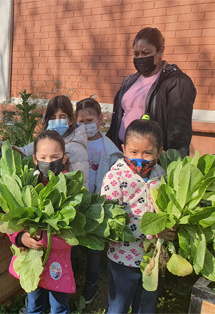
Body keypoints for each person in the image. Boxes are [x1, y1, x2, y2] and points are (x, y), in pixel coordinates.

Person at [101, 119, 176, 313]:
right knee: (118, 307)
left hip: (151, 260)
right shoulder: (114, 178)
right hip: (122, 260)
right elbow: (113, 225)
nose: (140, 158)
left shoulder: (161, 175)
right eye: (134, 152)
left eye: (147, 153)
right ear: (124, 149)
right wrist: (153, 233)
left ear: (159, 152)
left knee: (146, 307)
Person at [8, 130, 73, 314]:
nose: (49, 161)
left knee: (59, 306)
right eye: (43, 157)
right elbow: (10, 220)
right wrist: (21, 238)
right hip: (31, 255)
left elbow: (73, 232)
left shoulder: (70, 186)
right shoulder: (27, 183)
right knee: (34, 304)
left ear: (64, 158)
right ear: (35, 159)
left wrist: (44, 238)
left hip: (57, 259)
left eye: (55, 156)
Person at [107, 27, 196, 157]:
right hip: (123, 153)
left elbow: (179, 133)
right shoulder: (130, 81)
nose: (140, 58)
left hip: (150, 159)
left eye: (146, 52)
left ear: (160, 51)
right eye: (136, 54)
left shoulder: (176, 82)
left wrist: (173, 164)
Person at [74, 98, 123, 304]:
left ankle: (91, 284)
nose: (86, 125)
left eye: (90, 119)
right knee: (74, 247)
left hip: (98, 205)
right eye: (81, 121)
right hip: (77, 204)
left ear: (101, 119)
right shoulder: (74, 143)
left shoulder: (109, 149)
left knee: (94, 249)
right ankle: (72, 280)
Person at [0, 95, 89, 189]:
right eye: (53, 118)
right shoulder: (43, 142)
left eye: (62, 117)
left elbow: (81, 183)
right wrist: (3, 146)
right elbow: (24, 152)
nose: (57, 121)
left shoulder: (76, 149)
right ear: (47, 121)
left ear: (70, 120)